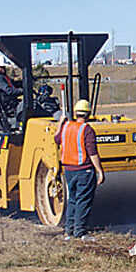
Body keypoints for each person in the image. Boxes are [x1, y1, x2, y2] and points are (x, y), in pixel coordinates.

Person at [54, 99, 105, 241]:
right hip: (84, 170)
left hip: (69, 170)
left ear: (76, 113)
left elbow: (57, 139)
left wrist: (60, 123)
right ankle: (80, 232)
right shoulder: (87, 129)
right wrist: (99, 170)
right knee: (83, 201)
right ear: (88, 113)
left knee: (73, 200)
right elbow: (92, 152)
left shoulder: (66, 126)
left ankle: (68, 231)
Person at [0, 54, 22, 122]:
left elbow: (12, 84)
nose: (4, 69)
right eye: (3, 67)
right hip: (9, 105)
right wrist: (24, 91)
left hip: (7, 104)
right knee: (32, 105)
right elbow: (9, 91)